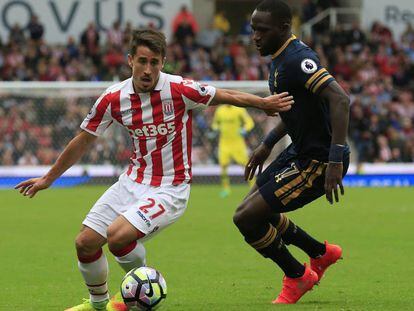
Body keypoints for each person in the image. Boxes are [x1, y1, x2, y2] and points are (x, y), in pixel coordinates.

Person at [15, 28, 294, 311]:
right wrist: (48, 178)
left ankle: (140, 290)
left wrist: (262, 103)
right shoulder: (113, 98)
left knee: (118, 237)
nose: (148, 70)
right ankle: (99, 305)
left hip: (170, 187)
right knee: (85, 243)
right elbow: (83, 140)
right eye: (142, 61)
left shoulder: (177, 89)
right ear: (130, 61)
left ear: (162, 62)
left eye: (154, 62)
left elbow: (223, 95)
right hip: (132, 181)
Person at [232, 0, 350, 305]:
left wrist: (335, 159)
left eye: (262, 30)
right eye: (253, 29)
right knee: (254, 210)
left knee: (246, 219)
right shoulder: (280, 58)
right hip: (299, 152)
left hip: (319, 160)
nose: (255, 36)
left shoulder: (297, 60)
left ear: (284, 28)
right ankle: (320, 254)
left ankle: (298, 276)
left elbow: (339, 100)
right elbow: (296, 109)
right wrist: (268, 143)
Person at [211, 105, 255, 197]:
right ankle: (226, 188)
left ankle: (253, 187)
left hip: (237, 143)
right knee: (223, 165)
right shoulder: (220, 110)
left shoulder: (239, 109)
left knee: (246, 165)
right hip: (224, 143)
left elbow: (250, 123)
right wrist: (216, 128)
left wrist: (244, 129)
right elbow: (214, 123)